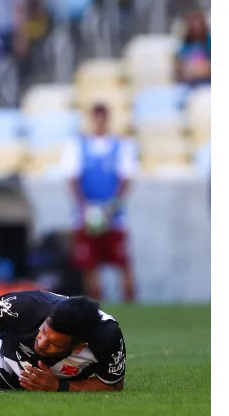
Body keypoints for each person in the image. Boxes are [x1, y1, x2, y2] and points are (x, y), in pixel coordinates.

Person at [60, 103, 137, 303]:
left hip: (114, 216)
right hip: (86, 215)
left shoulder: (121, 146)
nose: (99, 122)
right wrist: (85, 206)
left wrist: (113, 205)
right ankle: (96, 303)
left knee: (122, 261)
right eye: (96, 118)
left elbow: (125, 179)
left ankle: (130, 301)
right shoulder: (77, 146)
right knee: (89, 263)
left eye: (103, 118)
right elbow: (72, 179)